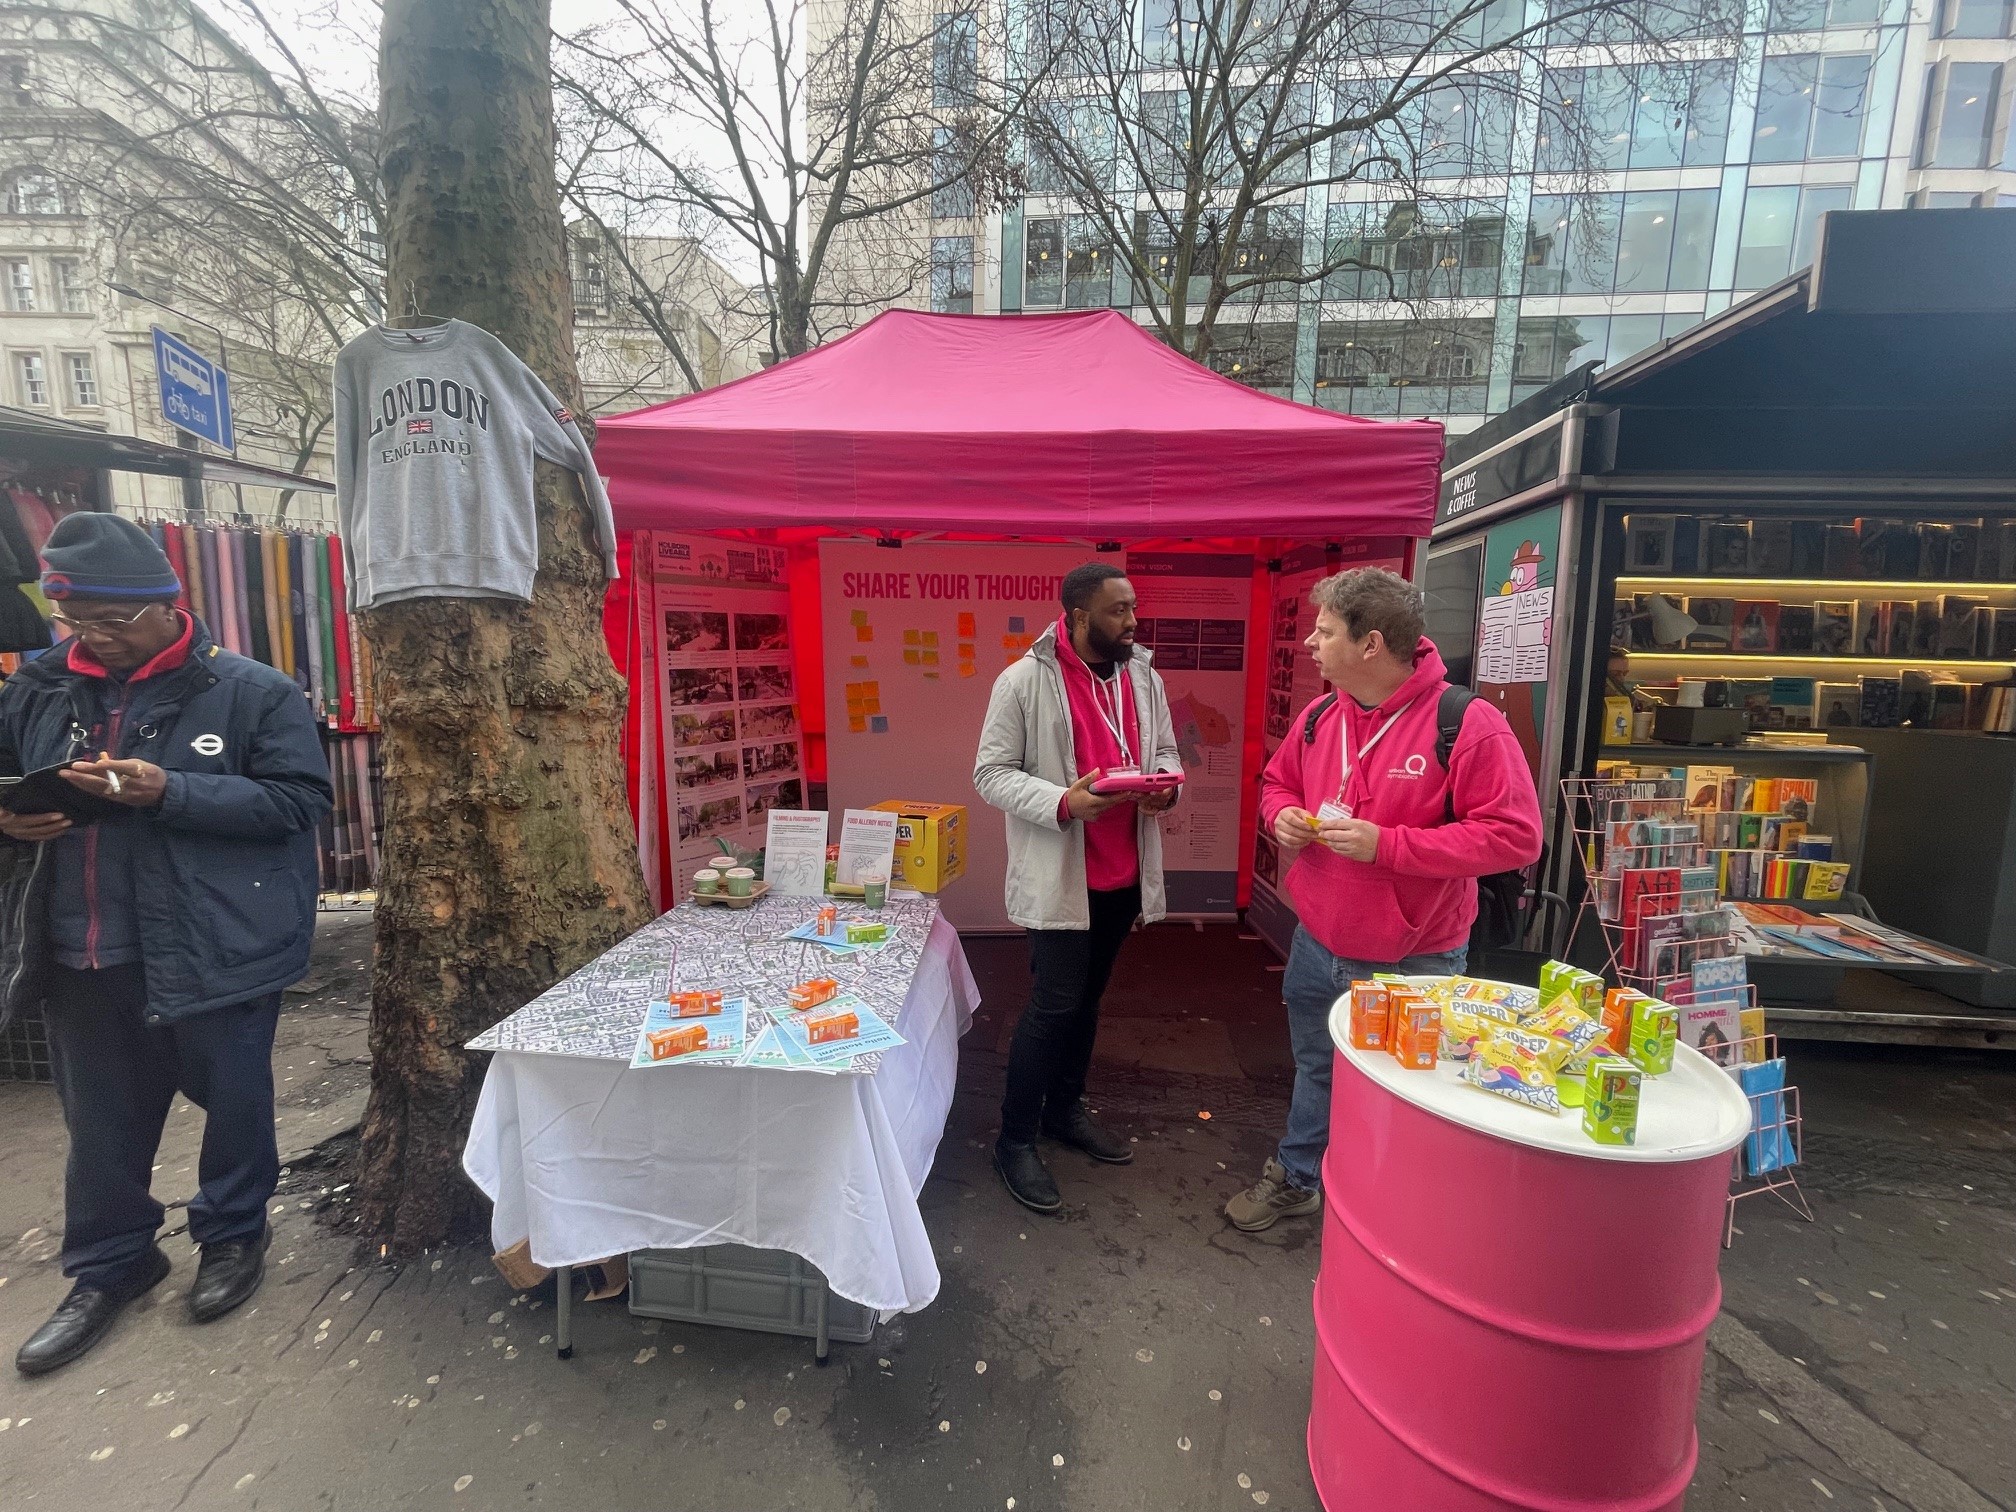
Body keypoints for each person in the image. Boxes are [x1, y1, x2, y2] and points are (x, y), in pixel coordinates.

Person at [0, 514, 332, 1376]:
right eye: (79, 622)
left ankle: (230, 1236)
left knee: (235, 1104)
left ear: (166, 605)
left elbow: (299, 804)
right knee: (100, 1124)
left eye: (115, 622)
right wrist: (9, 818)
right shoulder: (36, 689)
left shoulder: (252, 690)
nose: (96, 640)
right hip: (81, 945)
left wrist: (172, 791)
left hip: (216, 940)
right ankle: (110, 1264)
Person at [1225, 568, 1543, 1233]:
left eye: (1324, 630)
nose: (1310, 642)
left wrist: (1389, 846)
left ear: (1371, 644)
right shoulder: (1319, 715)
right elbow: (1278, 783)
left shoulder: (1467, 722)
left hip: (1412, 955)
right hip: (1318, 940)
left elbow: (1516, 837)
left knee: (1409, 1095)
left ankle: (1392, 1224)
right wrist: (1280, 815)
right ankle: (1298, 1180)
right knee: (1316, 1070)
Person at [974, 563, 1181, 1214]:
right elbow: (991, 774)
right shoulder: (1023, 681)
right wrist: (1062, 801)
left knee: (1087, 1002)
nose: (1133, 622)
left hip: (1122, 874)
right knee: (1053, 1006)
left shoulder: (1143, 678)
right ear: (1079, 615)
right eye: (1119, 611)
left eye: (1134, 608)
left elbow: (1169, 754)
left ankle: (1065, 1111)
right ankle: (1014, 1139)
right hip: (1062, 875)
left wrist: (1167, 787)